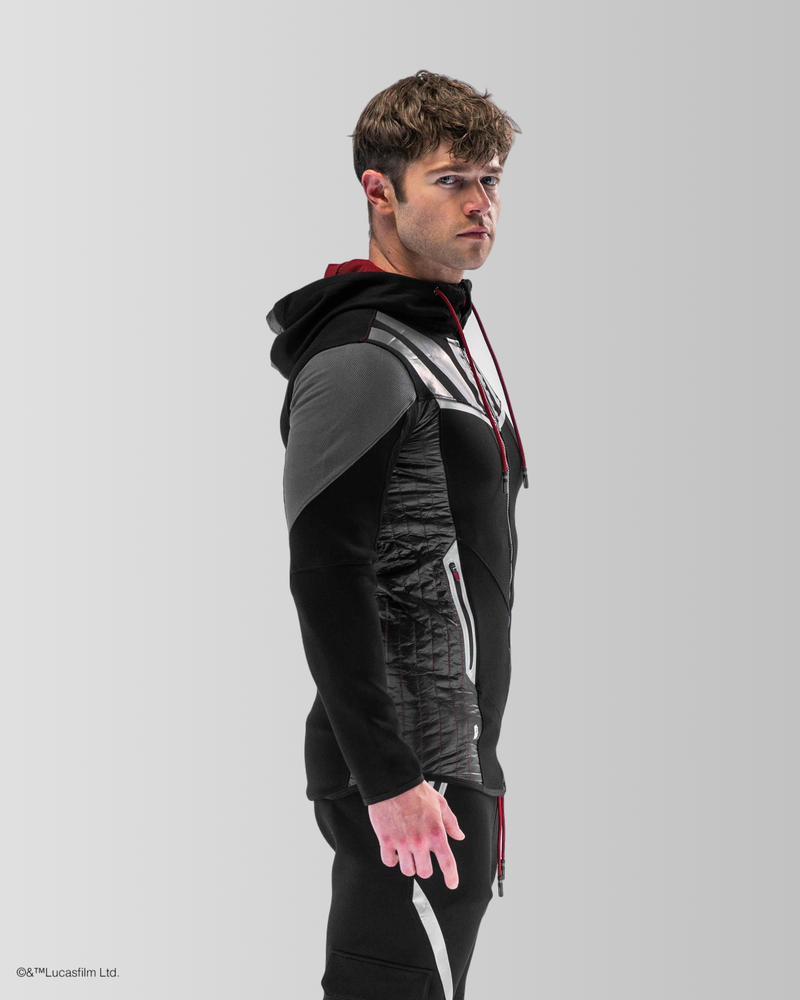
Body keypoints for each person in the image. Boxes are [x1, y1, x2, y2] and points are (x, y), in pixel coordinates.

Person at [267, 69, 528, 1000]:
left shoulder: (443, 338)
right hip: (406, 770)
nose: (480, 203)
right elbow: (326, 575)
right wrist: (388, 779)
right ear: (378, 190)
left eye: (490, 179)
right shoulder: (362, 358)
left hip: (454, 752)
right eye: (451, 180)